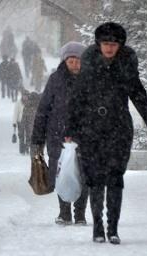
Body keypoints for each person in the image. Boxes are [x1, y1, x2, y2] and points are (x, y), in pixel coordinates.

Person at [64, 22, 147, 245]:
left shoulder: (126, 64)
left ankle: (113, 228)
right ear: (99, 44)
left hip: (118, 127)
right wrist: (70, 129)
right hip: (91, 128)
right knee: (95, 180)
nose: (109, 48)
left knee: (116, 179)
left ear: (120, 45)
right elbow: (77, 98)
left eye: (113, 44)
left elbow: (138, 93)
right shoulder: (88, 63)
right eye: (105, 44)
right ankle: (98, 226)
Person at [31, 41, 88, 226]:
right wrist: (37, 140)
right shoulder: (55, 80)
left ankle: (79, 213)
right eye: (71, 60)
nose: (74, 64)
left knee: (83, 174)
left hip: (84, 137)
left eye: (77, 60)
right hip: (57, 136)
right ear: (65, 61)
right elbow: (43, 109)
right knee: (61, 174)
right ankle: (64, 213)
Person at [17, 89, 41, 154]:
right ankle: (32, 149)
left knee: (29, 137)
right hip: (36, 127)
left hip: (29, 126)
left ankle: (28, 148)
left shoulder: (27, 106)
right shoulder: (39, 107)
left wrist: (21, 129)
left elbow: (23, 118)